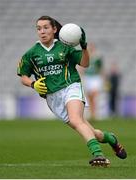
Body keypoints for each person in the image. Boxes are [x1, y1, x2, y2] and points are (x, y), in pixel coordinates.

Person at [17, 15, 127, 167]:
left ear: (54, 29)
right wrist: (33, 84)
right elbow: (23, 77)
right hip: (52, 98)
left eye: (46, 27)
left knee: (76, 120)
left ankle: (98, 155)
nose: (42, 31)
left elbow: (85, 63)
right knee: (92, 132)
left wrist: (83, 46)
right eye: (39, 28)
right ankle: (111, 139)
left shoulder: (65, 47)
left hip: (71, 86)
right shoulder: (31, 54)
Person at [83, 43, 104, 120]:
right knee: (89, 97)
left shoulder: (97, 57)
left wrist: (103, 79)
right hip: (87, 77)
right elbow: (82, 68)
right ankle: (92, 113)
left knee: (94, 95)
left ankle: (95, 113)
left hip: (95, 77)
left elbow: (101, 68)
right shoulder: (86, 57)